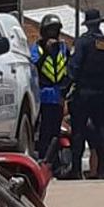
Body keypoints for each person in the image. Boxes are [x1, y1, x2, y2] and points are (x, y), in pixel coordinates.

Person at [68, 9, 104, 180]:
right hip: (103, 93)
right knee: (103, 129)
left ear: (87, 25)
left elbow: (74, 66)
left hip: (84, 92)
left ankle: (75, 170)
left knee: (79, 131)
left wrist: (67, 87)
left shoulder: (82, 43)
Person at [30, 14, 71, 165]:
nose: (53, 34)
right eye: (50, 30)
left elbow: (69, 69)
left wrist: (65, 91)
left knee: (56, 131)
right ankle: (43, 159)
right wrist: (46, 51)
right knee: (44, 131)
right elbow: (33, 66)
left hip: (58, 95)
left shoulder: (63, 48)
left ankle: (55, 162)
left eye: (55, 30)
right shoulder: (37, 47)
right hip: (42, 94)